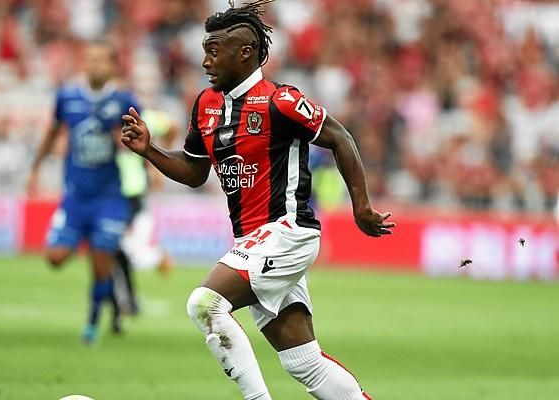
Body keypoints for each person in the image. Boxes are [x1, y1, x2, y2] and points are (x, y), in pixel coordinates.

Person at [121, 1, 395, 398]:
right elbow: (195, 172)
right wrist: (150, 151)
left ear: (245, 53)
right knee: (303, 362)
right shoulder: (207, 105)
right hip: (252, 240)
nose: (205, 61)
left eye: (214, 51)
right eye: (205, 50)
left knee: (205, 304)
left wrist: (361, 206)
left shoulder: (280, 101)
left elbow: (340, 136)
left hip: (287, 231)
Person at [27, 41, 141, 344]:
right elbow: (53, 132)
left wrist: (125, 143)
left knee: (100, 260)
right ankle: (115, 296)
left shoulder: (125, 101)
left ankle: (92, 323)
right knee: (55, 258)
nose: (94, 65)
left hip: (109, 197)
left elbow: (140, 143)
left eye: (100, 60)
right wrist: (35, 168)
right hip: (76, 196)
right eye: (90, 59)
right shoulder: (67, 97)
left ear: (112, 66)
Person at [114, 109, 178, 314]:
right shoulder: (102, 120)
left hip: (132, 193)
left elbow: (173, 127)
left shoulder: (144, 118)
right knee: (117, 250)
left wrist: (158, 159)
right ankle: (127, 300)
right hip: (112, 194)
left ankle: (156, 259)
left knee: (122, 250)